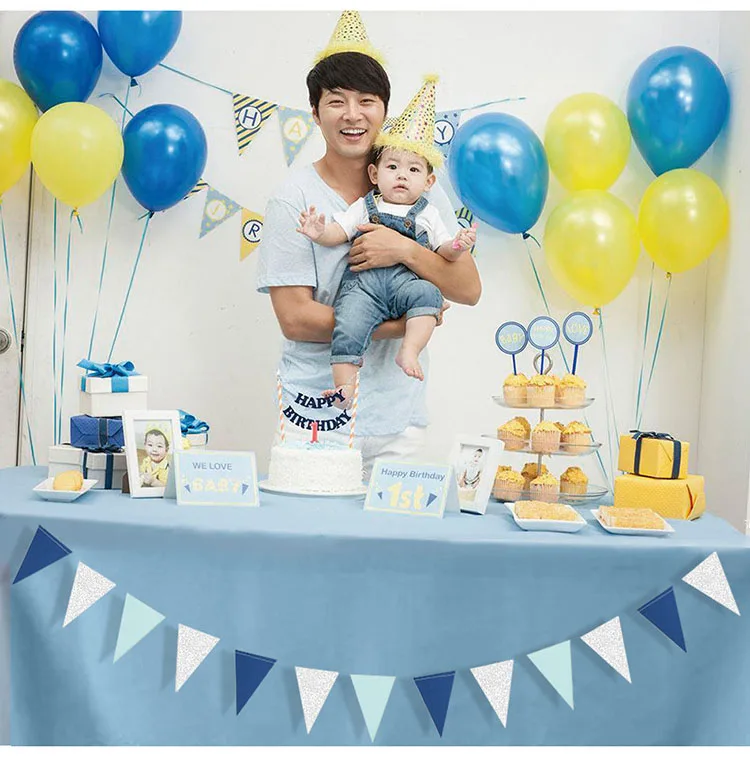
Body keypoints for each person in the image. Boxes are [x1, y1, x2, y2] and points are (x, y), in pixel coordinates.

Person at [256, 11, 481, 476]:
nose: (353, 115)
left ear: (384, 110)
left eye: (366, 101)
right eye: (336, 101)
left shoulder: (418, 185)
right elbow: (295, 319)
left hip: (399, 417)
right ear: (315, 113)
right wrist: (397, 327)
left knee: (393, 526)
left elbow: (467, 289)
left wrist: (403, 250)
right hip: (315, 415)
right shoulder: (293, 199)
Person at [296, 75, 477, 406]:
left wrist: (456, 245)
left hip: (405, 286)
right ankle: (344, 389)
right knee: (347, 323)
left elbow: (444, 252)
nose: (402, 175)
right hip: (363, 288)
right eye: (392, 167)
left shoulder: (429, 211)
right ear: (375, 175)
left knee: (429, 295)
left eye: (413, 171)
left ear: (429, 182)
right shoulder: (364, 206)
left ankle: (409, 350)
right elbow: (339, 231)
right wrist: (319, 232)